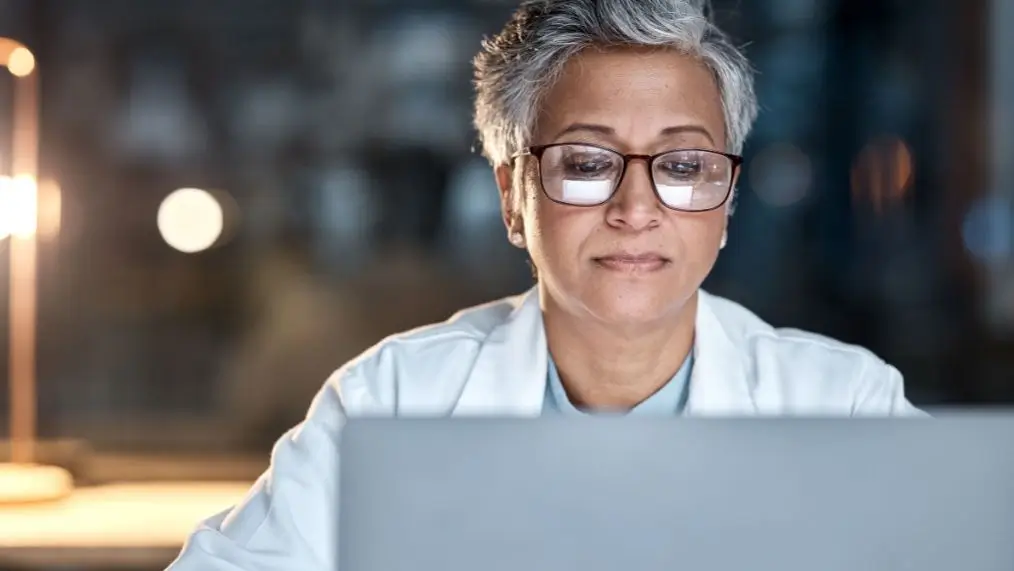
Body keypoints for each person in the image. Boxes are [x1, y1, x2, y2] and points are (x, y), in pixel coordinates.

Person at [168, 1, 924, 569]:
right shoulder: (391, 402)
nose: (637, 209)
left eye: (684, 166)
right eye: (588, 163)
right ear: (511, 198)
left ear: (726, 203)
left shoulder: (845, 407)